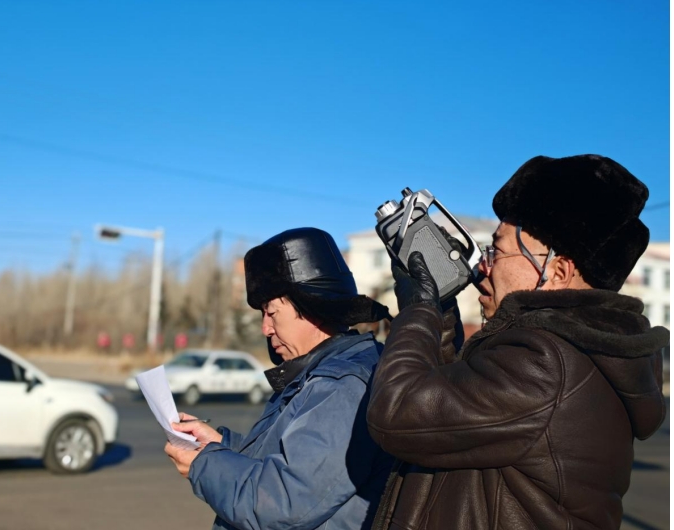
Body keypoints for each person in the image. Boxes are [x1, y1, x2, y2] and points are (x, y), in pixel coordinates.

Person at [366, 154, 669, 529]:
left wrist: (419, 309)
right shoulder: (575, 355)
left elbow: (397, 413)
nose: (483, 266)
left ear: (557, 270)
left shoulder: (546, 363)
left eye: (497, 250)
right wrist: (439, 309)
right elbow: (444, 403)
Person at [165, 227, 394, 530]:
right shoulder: (318, 373)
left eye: (272, 313)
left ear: (313, 309)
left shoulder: (342, 386)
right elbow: (283, 458)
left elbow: (282, 502)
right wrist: (220, 445)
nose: (265, 328)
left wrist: (203, 463)